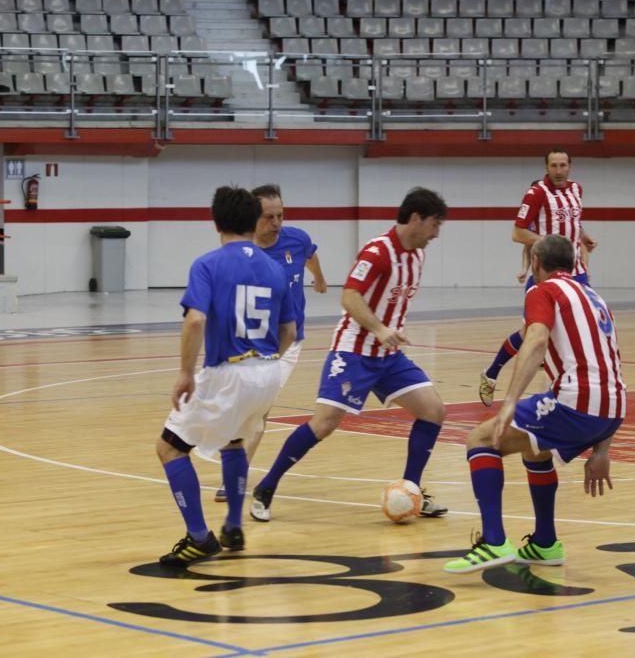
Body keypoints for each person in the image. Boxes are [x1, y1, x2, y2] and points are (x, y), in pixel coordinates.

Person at [249, 187, 450, 522]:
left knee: (433, 411)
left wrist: (388, 335)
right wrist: (380, 329)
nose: (436, 233)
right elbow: (350, 298)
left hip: (389, 355)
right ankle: (266, 486)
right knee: (323, 424)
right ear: (416, 219)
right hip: (354, 351)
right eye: (434, 224)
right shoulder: (377, 252)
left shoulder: (416, 255)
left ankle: (412, 489)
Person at [444, 235, 626, 573]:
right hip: (614, 408)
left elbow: (536, 340)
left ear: (536, 263)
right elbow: (611, 366)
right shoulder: (594, 297)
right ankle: (545, 543)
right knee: (536, 449)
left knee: (481, 440)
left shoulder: (542, 291)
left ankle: (494, 541)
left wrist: (510, 402)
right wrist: (603, 448)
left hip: (577, 403)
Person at [155, 186, 297, 567]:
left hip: (230, 371)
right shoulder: (275, 269)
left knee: (170, 447)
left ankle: (199, 537)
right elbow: (289, 332)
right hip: (268, 372)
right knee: (233, 440)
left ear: (216, 221)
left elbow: (196, 319)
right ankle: (233, 525)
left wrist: (186, 373)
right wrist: (264, 366)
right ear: (254, 221)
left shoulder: (208, 264)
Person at [215, 184, 327, 502]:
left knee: (259, 410)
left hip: (287, 343)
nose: (276, 222)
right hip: (248, 342)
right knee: (243, 409)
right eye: (268, 217)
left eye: (280, 215)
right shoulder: (242, 250)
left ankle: (235, 478)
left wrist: (318, 278)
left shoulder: (298, 239)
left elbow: (311, 255)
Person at [478, 150, 597, 407]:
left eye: (563, 165)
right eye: (553, 165)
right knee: (530, 333)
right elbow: (517, 233)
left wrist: (583, 236)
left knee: (579, 329)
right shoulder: (537, 193)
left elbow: (573, 221)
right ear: (546, 167)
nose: (558, 170)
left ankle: (567, 387)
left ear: (570, 166)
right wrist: (548, 243)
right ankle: (491, 373)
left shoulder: (577, 189)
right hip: (547, 276)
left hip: (577, 274)